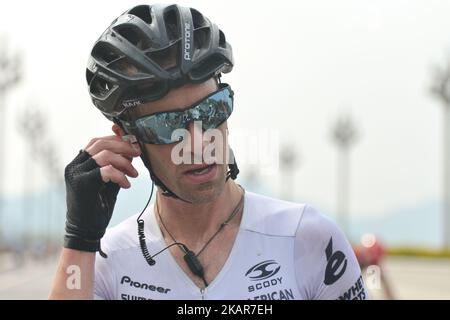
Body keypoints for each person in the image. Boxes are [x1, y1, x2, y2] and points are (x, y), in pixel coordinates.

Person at [49, 3, 368, 300]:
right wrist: (79, 239)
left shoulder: (308, 238)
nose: (198, 143)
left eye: (212, 109)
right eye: (167, 124)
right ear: (129, 138)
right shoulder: (107, 261)